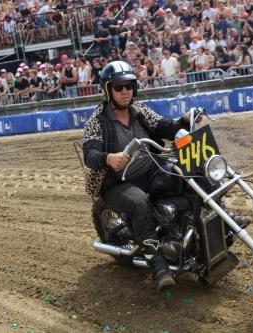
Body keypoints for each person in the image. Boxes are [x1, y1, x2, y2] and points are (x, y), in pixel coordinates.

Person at [82, 61, 201, 291]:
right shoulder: (96, 121)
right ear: (108, 90)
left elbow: (164, 126)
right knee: (139, 203)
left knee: (185, 176)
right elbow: (90, 154)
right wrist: (108, 158)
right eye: (119, 87)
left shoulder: (139, 110)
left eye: (129, 86)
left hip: (150, 167)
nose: (125, 91)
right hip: (117, 181)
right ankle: (158, 266)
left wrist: (184, 121)